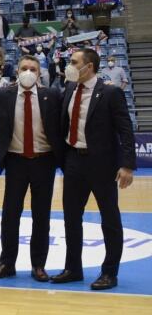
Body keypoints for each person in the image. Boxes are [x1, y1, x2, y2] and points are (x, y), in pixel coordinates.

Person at [52, 48, 135, 291]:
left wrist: (127, 165)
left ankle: (110, 272)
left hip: (102, 165)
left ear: (88, 66)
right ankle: (73, 268)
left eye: (74, 62)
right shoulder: (69, 89)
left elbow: (125, 129)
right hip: (74, 161)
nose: (70, 65)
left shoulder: (111, 93)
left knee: (109, 219)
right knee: (71, 218)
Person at [0, 56, 64, 283]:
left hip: (44, 161)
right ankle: (7, 263)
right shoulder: (4, 95)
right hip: (16, 162)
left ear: (40, 73)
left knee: (41, 216)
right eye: (24, 68)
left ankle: (38, 265)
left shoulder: (53, 95)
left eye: (33, 69)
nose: (28, 71)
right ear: (16, 72)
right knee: (10, 215)